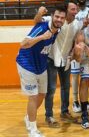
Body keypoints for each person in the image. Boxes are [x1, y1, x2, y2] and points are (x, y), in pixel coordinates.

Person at [16, 7, 66, 137]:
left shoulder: (58, 30)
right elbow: (23, 44)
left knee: (42, 94)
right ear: (52, 16)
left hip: (41, 65)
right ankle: (32, 130)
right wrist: (42, 37)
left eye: (62, 18)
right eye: (57, 16)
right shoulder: (42, 27)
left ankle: (28, 117)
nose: (59, 19)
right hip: (26, 63)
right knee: (33, 96)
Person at [33, 3, 82, 127]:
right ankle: (49, 115)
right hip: (51, 59)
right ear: (66, 10)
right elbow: (37, 21)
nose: (74, 11)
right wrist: (39, 13)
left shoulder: (77, 24)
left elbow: (75, 41)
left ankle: (64, 112)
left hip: (66, 60)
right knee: (51, 89)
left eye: (76, 9)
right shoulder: (56, 20)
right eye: (72, 9)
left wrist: (73, 53)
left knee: (66, 87)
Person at [72, 0, 89, 113]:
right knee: (74, 75)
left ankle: (85, 100)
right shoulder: (73, 11)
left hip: (87, 46)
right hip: (75, 45)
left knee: (85, 76)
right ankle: (74, 101)